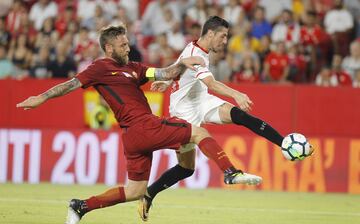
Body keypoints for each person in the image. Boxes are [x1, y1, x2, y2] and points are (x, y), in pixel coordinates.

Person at [16, 25, 262, 224]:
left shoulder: (133, 68)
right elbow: (70, 84)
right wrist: (42, 97)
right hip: (142, 126)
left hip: (135, 137)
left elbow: (163, 73)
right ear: (109, 47)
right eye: (123, 45)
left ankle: (80, 206)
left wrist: (181, 65)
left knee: (134, 191)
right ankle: (230, 173)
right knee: (198, 132)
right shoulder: (99, 68)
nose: (128, 47)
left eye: (128, 43)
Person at [140, 16, 314, 221]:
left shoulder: (193, 47)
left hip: (201, 99)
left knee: (240, 116)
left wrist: (168, 80)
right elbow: (211, 83)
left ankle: (284, 143)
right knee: (186, 169)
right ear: (210, 34)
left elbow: (181, 64)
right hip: (182, 111)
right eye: (222, 36)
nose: (225, 41)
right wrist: (236, 94)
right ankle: (149, 194)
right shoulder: (198, 53)